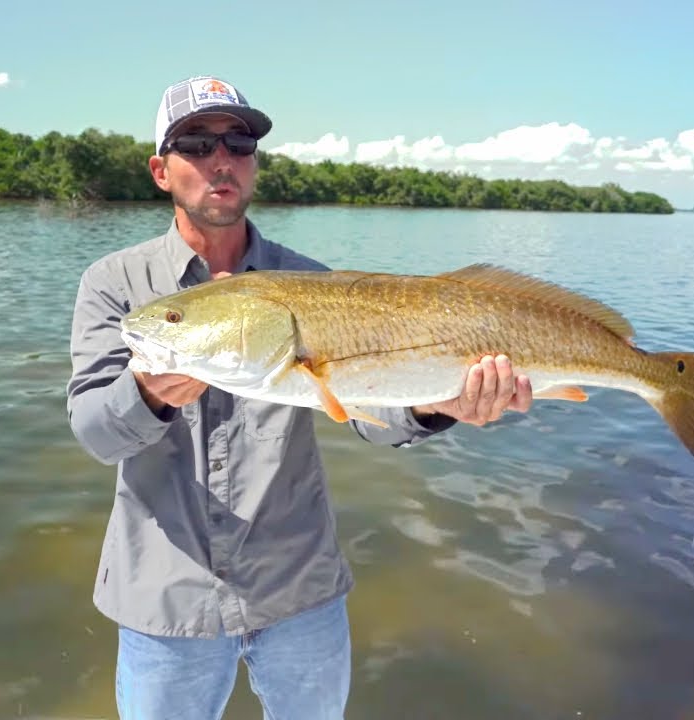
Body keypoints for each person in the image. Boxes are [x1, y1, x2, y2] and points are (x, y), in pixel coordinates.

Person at [66, 75, 533, 720]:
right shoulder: (116, 286)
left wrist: (439, 405)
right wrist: (147, 391)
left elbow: (374, 414)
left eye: (239, 141)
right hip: (166, 600)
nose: (221, 158)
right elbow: (95, 432)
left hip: (300, 592)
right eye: (196, 144)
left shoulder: (314, 284)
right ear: (160, 170)